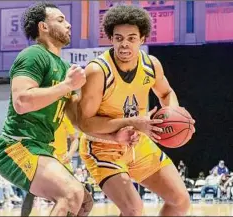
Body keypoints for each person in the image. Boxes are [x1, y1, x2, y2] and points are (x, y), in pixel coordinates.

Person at [0, 2, 139, 216]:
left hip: (41, 149)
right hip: (16, 146)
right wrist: (68, 86)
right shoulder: (33, 55)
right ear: (43, 27)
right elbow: (21, 102)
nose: (68, 25)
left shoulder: (62, 67)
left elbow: (79, 122)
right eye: (60, 20)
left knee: (84, 202)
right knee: (70, 194)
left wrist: (115, 137)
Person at [77, 5, 195, 216]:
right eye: (118, 38)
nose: (124, 44)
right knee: (134, 209)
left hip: (138, 142)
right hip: (103, 146)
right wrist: (127, 126)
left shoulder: (151, 65)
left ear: (142, 39)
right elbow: (85, 123)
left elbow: (166, 93)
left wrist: (175, 116)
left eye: (131, 38)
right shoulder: (98, 71)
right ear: (111, 39)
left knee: (180, 201)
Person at [21, 116, 78, 216]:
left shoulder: (65, 118)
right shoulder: (41, 116)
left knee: (73, 193)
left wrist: (70, 154)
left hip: (62, 160)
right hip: (44, 158)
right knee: (30, 192)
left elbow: (75, 139)